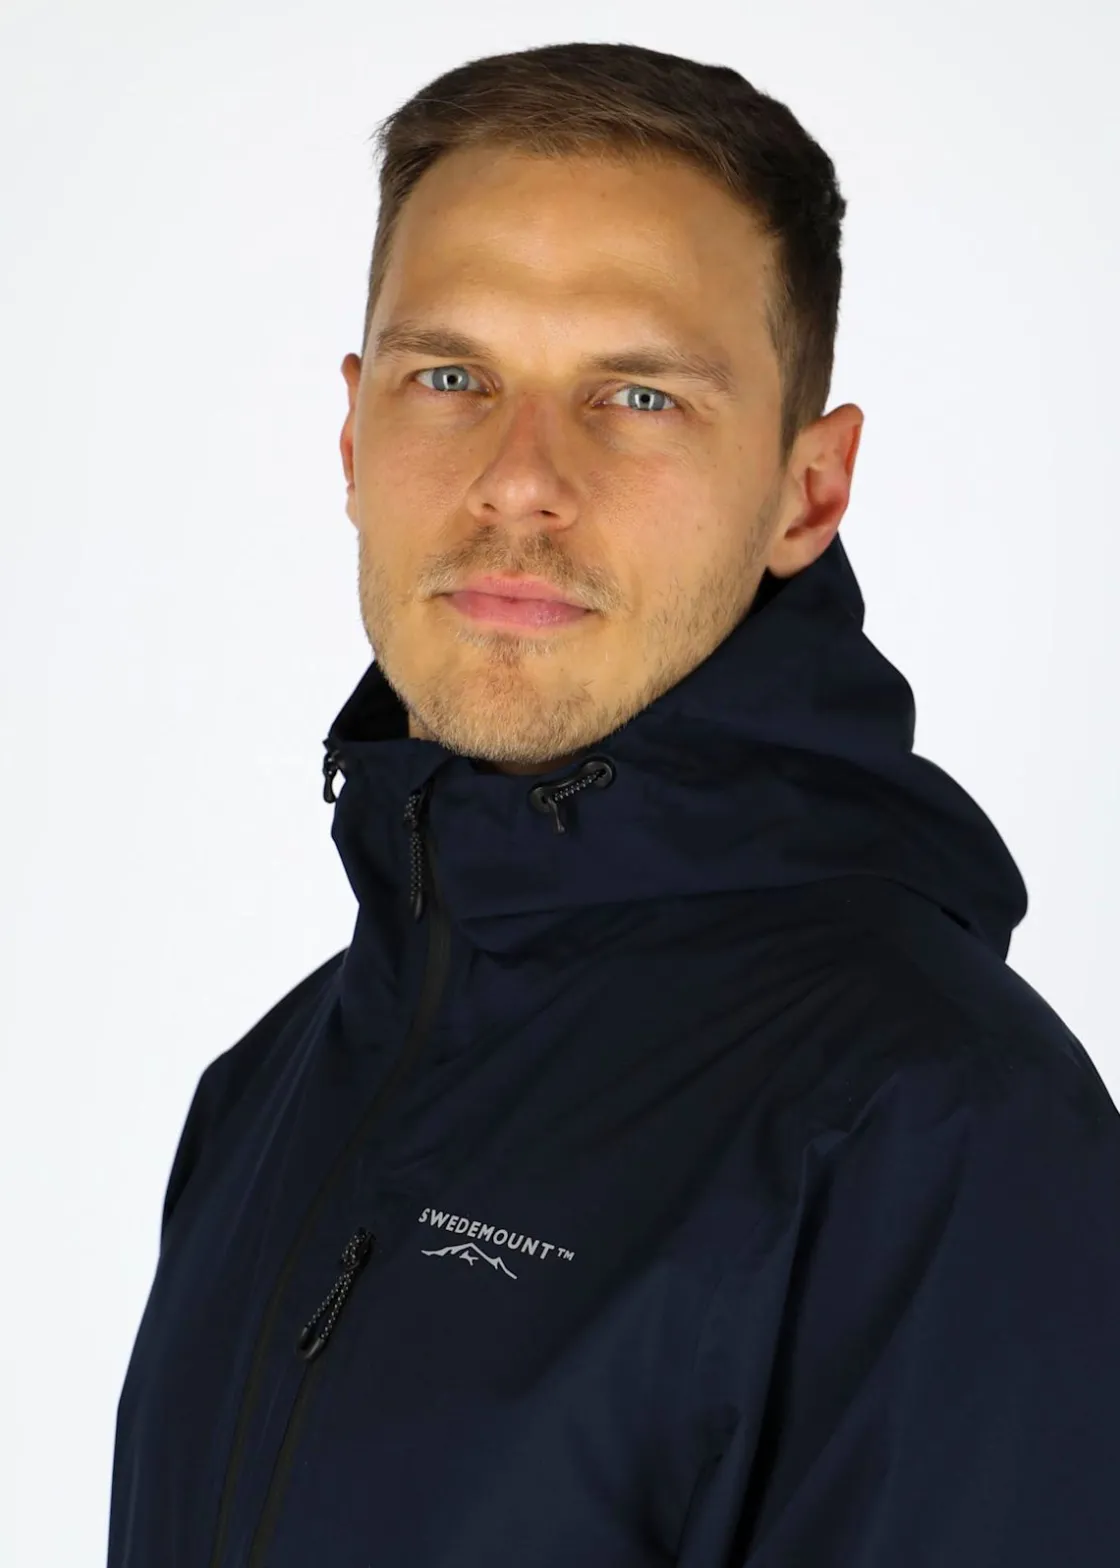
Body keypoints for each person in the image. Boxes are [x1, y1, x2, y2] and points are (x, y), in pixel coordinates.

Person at [107, 40, 1120, 1568]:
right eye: (452, 378)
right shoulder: (269, 1090)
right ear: (353, 436)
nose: (521, 480)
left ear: (809, 490)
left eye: (638, 394)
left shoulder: (941, 1131)